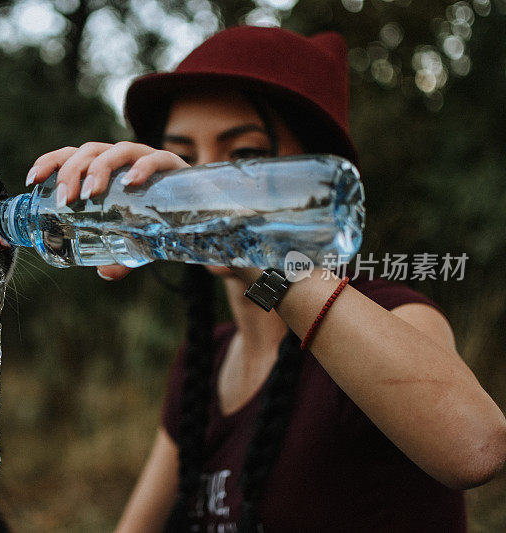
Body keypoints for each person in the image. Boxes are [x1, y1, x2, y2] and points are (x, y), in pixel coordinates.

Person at [25, 26, 506, 532]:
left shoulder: (392, 314)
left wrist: (249, 244)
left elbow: (477, 448)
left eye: (245, 157)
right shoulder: (201, 362)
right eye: (182, 158)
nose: (201, 182)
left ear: (314, 178)